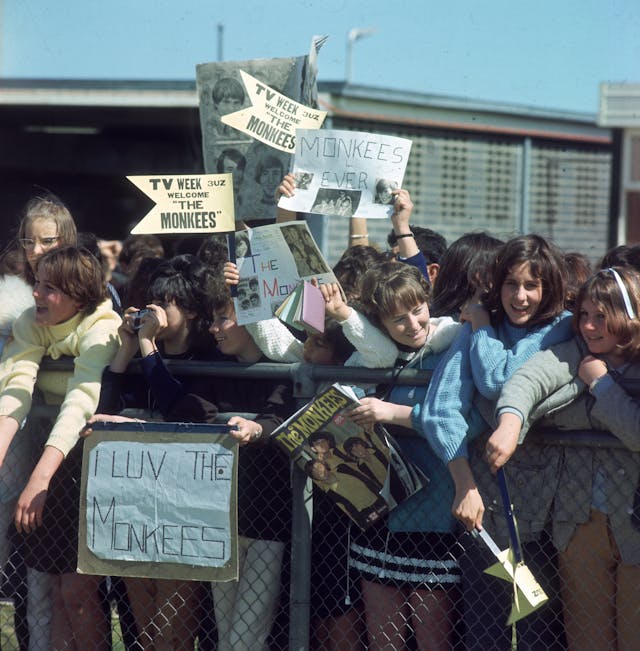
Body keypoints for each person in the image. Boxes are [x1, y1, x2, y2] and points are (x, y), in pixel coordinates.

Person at [418, 233, 573, 650]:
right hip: (482, 507)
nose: (520, 296)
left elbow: (498, 381)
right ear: (497, 284)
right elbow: (440, 406)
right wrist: (464, 483)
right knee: (484, 631)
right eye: (511, 284)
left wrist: (483, 328)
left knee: (537, 633)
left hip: (541, 513)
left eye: (531, 285)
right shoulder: (479, 322)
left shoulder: (561, 328)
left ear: (549, 287)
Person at [487, 266, 640, 651]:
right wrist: (510, 422)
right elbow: (528, 380)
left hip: (635, 523)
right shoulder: (573, 351)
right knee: (587, 639)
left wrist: (599, 384)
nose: (589, 327)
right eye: (584, 316)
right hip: (579, 522)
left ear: (630, 314)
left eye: (601, 316)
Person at [322, 261, 462, 650]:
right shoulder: (371, 359)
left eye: (417, 310)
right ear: (379, 323)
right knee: (384, 641)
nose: (413, 324)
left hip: (433, 514)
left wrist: (391, 413)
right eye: (397, 319)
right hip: (378, 512)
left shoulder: (453, 346)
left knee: (434, 639)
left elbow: (459, 419)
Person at [0, 246, 121, 650]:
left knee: (78, 593)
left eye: (50, 289)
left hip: (92, 463)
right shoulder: (31, 321)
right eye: (37, 283)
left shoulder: (103, 326)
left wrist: (39, 478)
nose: (36, 293)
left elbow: (79, 403)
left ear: (79, 298)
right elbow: (15, 389)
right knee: (49, 588)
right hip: (52, 458)